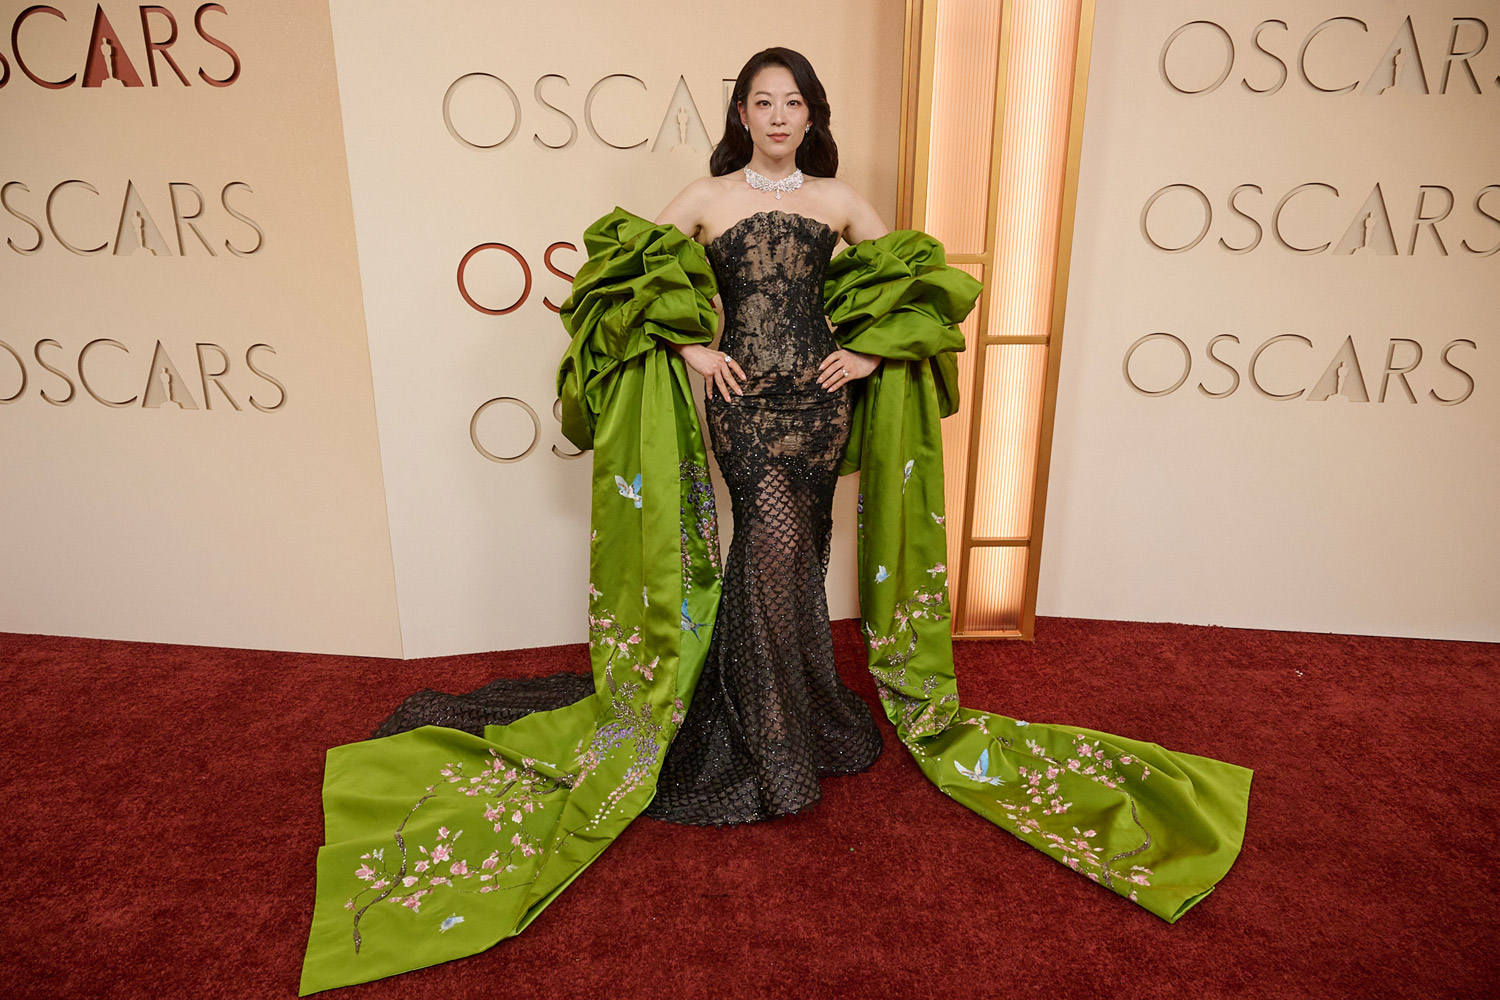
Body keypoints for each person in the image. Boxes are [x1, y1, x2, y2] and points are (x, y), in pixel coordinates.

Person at [299, 47, 1252, 997]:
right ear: (743, 115)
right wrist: (691, 348)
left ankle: (791, 713)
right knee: (764, 547)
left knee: (795, 561)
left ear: (811, 113)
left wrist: (868, 355)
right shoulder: (705, 197)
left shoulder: (840, 202)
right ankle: (767, 737)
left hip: (820, 403)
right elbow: (622, 278)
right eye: (763, 101)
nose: (780, 115)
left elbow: (918, 287)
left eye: (794, 101)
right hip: (746, 407)